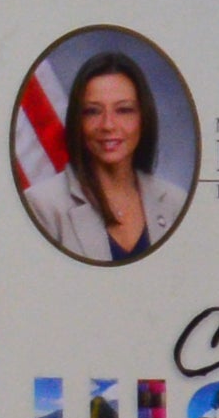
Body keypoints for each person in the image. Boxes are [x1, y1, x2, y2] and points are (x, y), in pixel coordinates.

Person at [18, 49, 176, 268]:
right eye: (93, 111)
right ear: (77, 121)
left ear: (143, 118)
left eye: (124, 110)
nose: (108, 125)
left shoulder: (174, 201)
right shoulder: (42, 206)